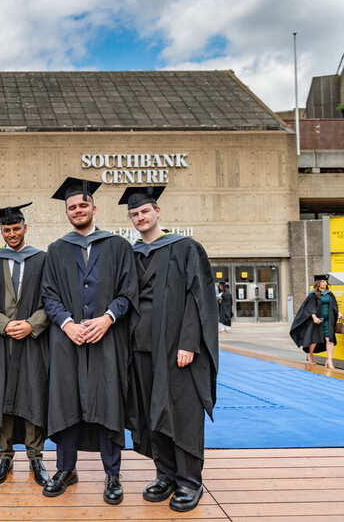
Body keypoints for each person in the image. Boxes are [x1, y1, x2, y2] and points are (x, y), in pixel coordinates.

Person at [121, 186, 219, 513]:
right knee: (152, 414)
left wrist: (189, 342)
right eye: (134, 214)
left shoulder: (185, 247)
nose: (140, 217)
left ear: (157, 211)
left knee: (183, 412)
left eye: (144, 212)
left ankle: (190, 481)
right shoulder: (132, 253)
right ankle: (164, 475)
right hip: (140, 349)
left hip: (176, 347)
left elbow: (198, 297)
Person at [40, 178, 138, 504]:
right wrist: (67, 324)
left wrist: (107, 317)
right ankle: (66, 469)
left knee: (109, 401)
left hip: (106, 339)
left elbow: (129, 293)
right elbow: (48, 295)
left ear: (94, 208)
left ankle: (113, 474)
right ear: (66, 212)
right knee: (66, 401)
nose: (77, 210)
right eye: (72, 207)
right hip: (67, 341)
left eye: (83, 205)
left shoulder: (118, 246)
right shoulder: (56, 250)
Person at [0, 203, 50, 487]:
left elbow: (52, 300)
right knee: (2, 397)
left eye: (16, 228)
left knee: (34, 395)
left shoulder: (42, 260)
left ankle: (36, 456)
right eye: (7, 229)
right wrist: (5, 325)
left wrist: (32, 324)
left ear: (25, 228)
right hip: (0, 343)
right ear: (1, 230)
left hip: (33, 342)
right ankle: (5, 456)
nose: (12, 234)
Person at [290, 274, 340, 369]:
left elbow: (334, 305)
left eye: (325, 282)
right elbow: (309, 307)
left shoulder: (329, 294)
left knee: (329, 340)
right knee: (314, 340)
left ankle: (329, 360)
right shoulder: (313, 294)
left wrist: (338, 313)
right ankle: (310, 355)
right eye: (323, 281)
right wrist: (313, 317)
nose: (325, 283)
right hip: (317, 321)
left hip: (328, 321)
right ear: (318, 283)